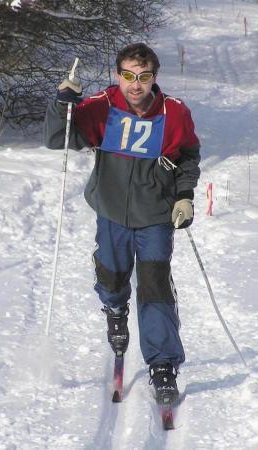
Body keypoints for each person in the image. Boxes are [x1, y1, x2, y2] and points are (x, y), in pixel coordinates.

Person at [44, 43, 201, 405]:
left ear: (154, 78)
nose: (135, 84)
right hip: (112, 210)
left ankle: (162, 365)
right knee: (112, 276)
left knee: (154, 286)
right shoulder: (103, 107)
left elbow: (188, 156)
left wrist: (184, 196)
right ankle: (115, 310)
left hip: (156, 215)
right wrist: (63, 104)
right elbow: (57, 137)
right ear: (118, 75)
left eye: (143, 77)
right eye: (129, 76)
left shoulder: (174, 113)